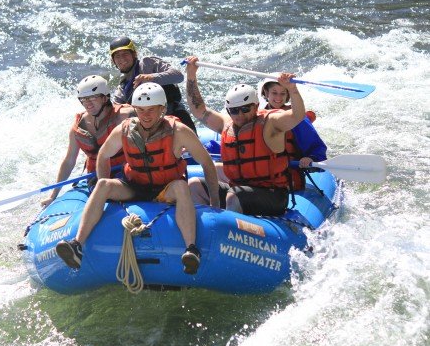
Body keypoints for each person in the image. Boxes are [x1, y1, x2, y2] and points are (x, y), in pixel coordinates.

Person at [55, 83, 220, 275]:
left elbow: (207, 164)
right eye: (140, 110)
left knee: (182, 187)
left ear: (162, 109)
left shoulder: (179, 131)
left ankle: (191, 249)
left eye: (151, 110)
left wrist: (214, 202)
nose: (145, 115)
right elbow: (103, 155)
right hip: (135, 185)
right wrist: (104, 182)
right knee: (103, 184)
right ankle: (77, 245)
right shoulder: (124, 130)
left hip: (166, 188)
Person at [184, 55, 306, 216]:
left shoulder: (271, 123)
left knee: (234, 195)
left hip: (272, 194)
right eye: (234, 110)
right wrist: (191, 74)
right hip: (238, 189)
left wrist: (292, 90)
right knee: (194, 185)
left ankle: (229, 233)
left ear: (256, 106)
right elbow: (198, 109)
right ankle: (205, 230)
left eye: (245, 109)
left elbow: (297, 115)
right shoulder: (226, 124)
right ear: (228, 110)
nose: (240, 115)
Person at [41, 75, 134, 207]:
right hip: (95, 176)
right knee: (103, 188)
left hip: (125, 171)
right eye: (84, 99)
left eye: (93, 97)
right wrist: (53, 195)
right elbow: (69, 161)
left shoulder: (125, 115)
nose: (88, 103)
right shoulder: (78, 127)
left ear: (105, 97)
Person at [108, 36, 197, 133]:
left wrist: (151, 77)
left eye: (125, 54)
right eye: (117, 56)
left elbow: (178, 76)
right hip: (150, 126)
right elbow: (115, 111)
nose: (122, 59)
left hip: (175, 115)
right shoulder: (122, 88)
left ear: (134, 54)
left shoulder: (148, 63)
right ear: (114, 61)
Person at [259, 78, 327, 190]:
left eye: (282, 93)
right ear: (266, 93)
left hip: (289, 178)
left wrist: (311, 158)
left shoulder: (297, 119)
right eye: (274, 93)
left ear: (288, 95)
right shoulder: (257, 118)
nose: (278, 98)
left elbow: (317, 148)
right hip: (261, 176)